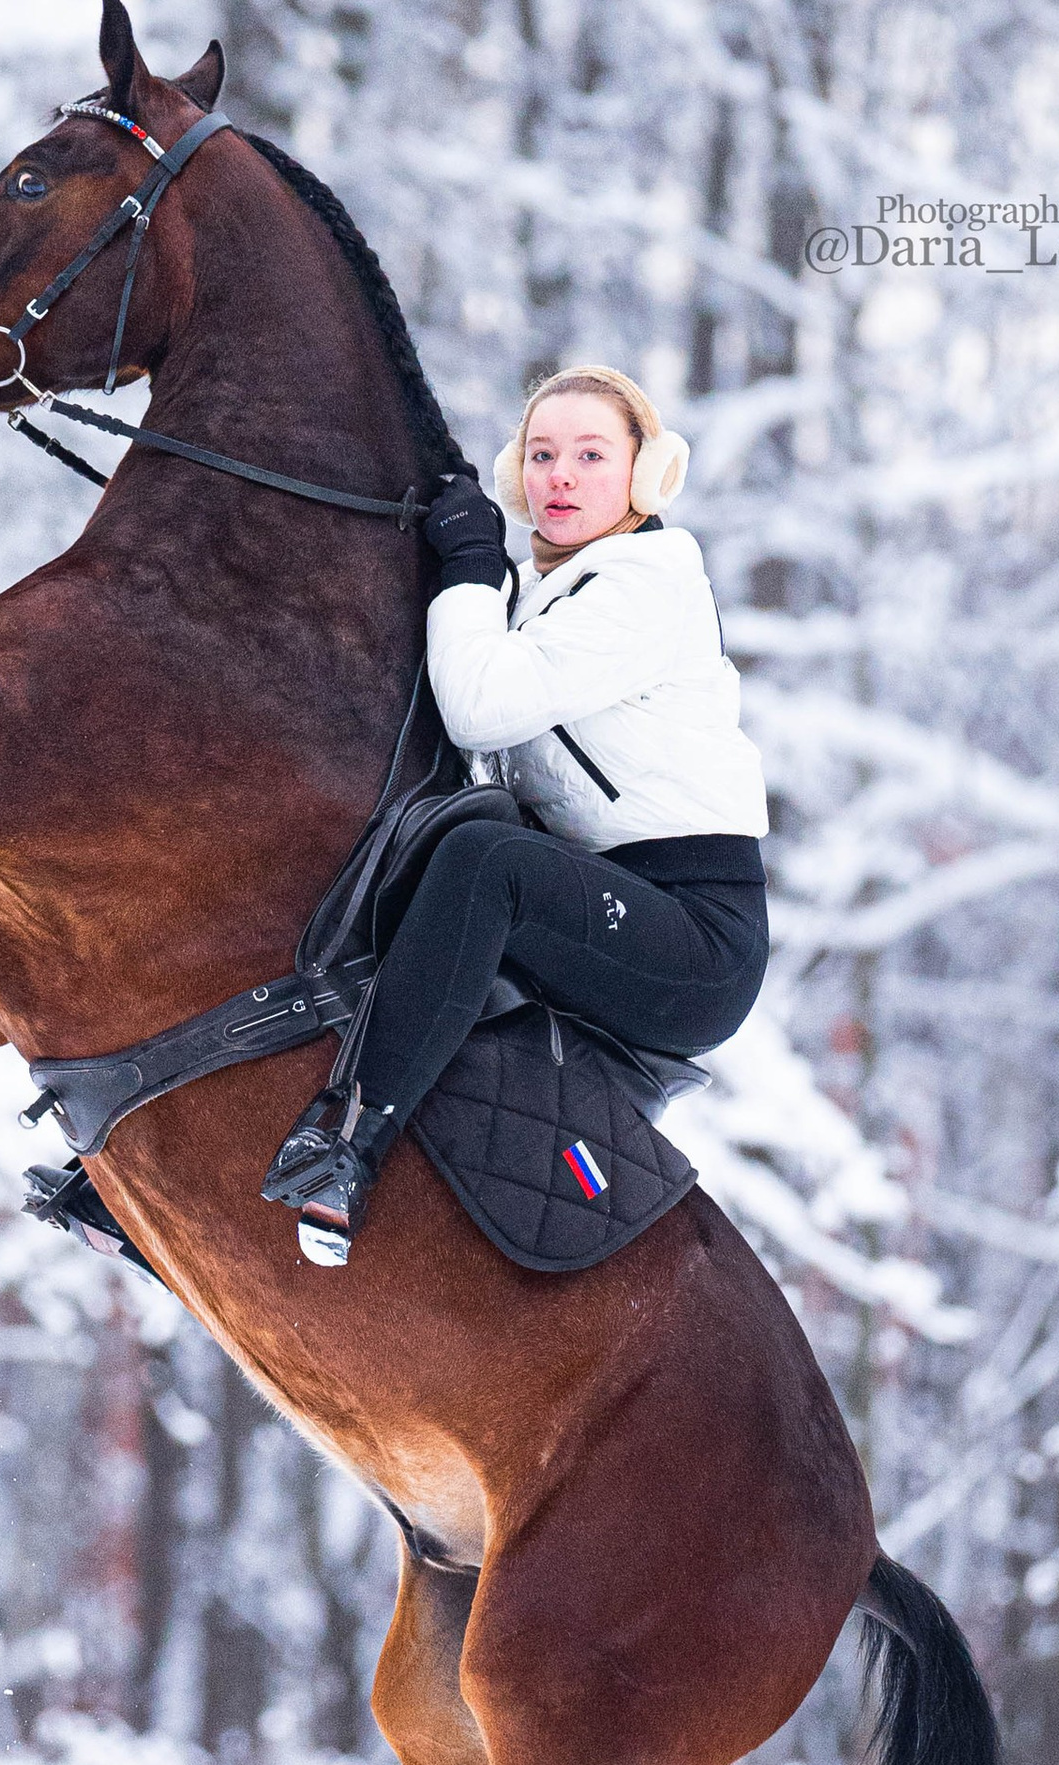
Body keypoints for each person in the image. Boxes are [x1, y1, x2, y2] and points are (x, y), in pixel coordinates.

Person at [261, 365, 770, 1267]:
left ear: (644, 476)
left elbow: (481, 707)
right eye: (541, 455)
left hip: (694, 936)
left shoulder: (646, 584)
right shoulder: (541, 595)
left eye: (590, 455)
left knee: (485, 862)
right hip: (605, 899)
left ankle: (347, 1146)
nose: (560, 477)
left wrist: (464, 572)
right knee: (412, 852)